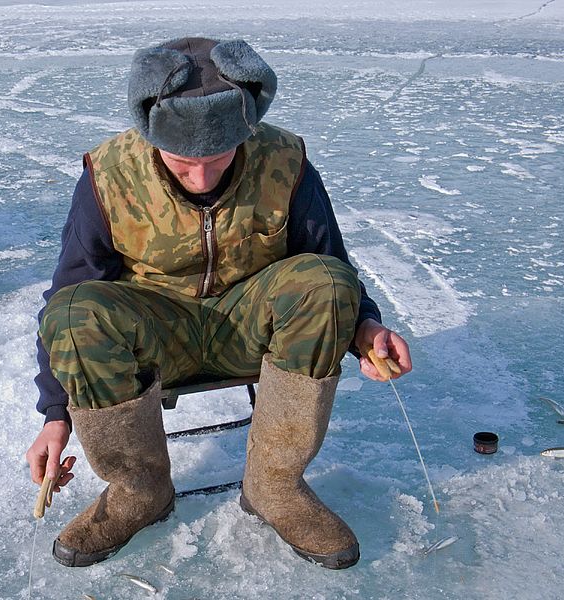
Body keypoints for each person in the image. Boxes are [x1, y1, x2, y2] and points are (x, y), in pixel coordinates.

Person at [25, 36, 412, 570]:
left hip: (254, 327)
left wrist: (366, 328)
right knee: (73, 313)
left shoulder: (285, 161)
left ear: (246, 131)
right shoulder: (109, 175)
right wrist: (54, 416)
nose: (203, 177)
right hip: (158, 337)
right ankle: (139, 490)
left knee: (326, 281)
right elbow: (67, 295)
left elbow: (330, 261)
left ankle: (276, 485)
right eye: (184, 162)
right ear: (150, 135)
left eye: (219, 156)